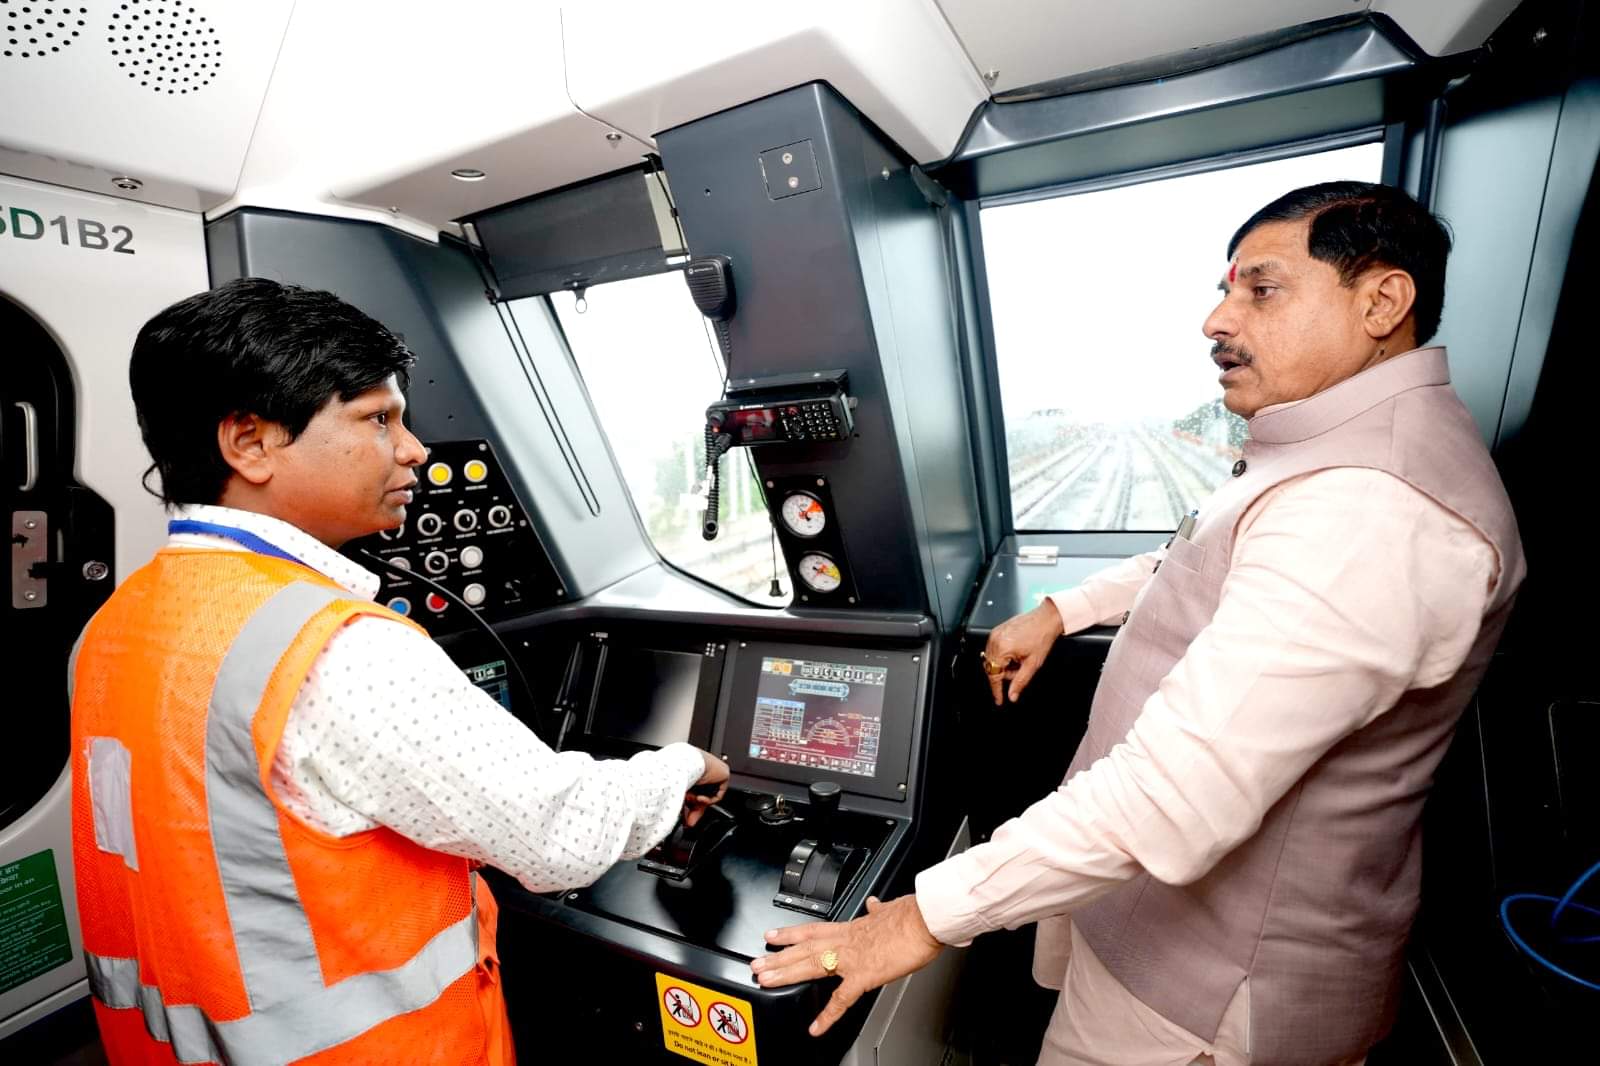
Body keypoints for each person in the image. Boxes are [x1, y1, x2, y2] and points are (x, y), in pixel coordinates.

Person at [751, 182, 1526, 1066]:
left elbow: (1173, 794)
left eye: (1260, 289)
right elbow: (1197, 553)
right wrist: (1062, 608)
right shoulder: (1328, 458)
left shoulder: (1372, 509)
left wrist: (924, 915)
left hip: (1205, 1003)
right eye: (1225, 288)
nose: (1214, 320)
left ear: (1382, 301)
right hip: (1161, 931)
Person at [69, 277, 729, 1065]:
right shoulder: (337, 651)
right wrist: (684, 768)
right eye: (378, 419)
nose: (414, 449)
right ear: (249, 444)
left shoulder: (113, 628)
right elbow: (557, 834)